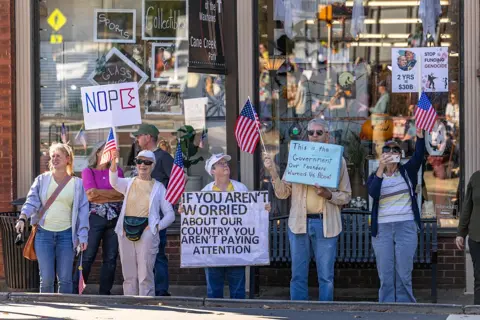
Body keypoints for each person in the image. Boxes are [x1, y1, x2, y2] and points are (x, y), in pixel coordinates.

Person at [263, 118, 352, 301]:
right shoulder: (298, 158)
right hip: (299, 223)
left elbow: (346, 195)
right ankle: (298, 310)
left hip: (325, 224)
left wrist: (328, 195)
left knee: (326, 276)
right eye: (311, 132)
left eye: (319, 132)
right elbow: (282, 193)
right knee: (297, 274)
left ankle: (325, 312)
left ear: (327, 136)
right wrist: (272, 171)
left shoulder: (338, 160)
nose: (314, 136)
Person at [178, 153, 271, 299]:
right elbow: (197, 219)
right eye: (220, 163)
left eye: (225, 163)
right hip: (212, 250)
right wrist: (187, 211)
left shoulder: (241, 189)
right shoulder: (205, 193)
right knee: (214, 291)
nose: (225, 165)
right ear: (213, 171)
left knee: (238, 290)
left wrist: (262, 208)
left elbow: (252, 214)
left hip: (237, 247)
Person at [15, 142, 89, 293]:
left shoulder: (77, 184)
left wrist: (83, 236)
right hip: (44, 234)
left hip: (67, 235)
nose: (55, 159)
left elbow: (83, 212)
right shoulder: (42, 180)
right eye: (52, 156)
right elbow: (32, 201)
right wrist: (23, 217)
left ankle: (66, 312)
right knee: (47, 278)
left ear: (68, 159)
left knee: (65, 278)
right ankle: (47, 313)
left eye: (58, 156)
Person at [367, 129, 425, 303]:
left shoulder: (408, 172)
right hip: (382, 228)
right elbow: (373, 193)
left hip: (405, 225)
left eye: (395, 150)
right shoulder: (375, 176)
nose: (391, 153)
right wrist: (381, 168)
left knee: (403, 272)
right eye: (387, 150)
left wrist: (420, 137)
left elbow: (419, 155)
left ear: (400, 155)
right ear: (382, 155)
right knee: (385, 272)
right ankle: (386, 308)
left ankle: (406, 308)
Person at [109, 149, 175, 296]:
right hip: (125, 230)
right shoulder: (128, 182)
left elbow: (170, 214)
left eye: (147, 162)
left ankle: (146, 304)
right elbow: (113, 181)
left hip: (147, 231)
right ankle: (130, 303)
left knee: (145, 272)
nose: (143, 165)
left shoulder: (159, 187)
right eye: (139, 161)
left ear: (153, 165)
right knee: (128, 271)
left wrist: (155, 227)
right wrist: (113, 163)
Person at [73, 142, 124, 295]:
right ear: (97, 153)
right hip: (94, 219)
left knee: (111, 257)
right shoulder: (88, 171)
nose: (109, 154)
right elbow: (90, 195)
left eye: (112, 152)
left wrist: (101, 194)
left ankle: (105, 293)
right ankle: (76, 291)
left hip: (114, 219)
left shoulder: (117, 171)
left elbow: (122, 194)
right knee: (87, 256)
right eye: (105, 151)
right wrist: (111, 194)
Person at [132, 124, 174, 296]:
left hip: (157, 216)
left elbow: (179, 180)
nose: (137, 139)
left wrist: (168, 205)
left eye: (139, 136)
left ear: (148, 137)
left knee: (158, 255)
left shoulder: (163, 157)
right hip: (137, 216)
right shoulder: (140, 157)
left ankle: (161, 291)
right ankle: (144, 290)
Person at [456, 171, 480, 305]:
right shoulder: (476, 178)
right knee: (479, 277)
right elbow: (467, 206)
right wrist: (461, 233)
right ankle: (478, 310)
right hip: (476, 236)